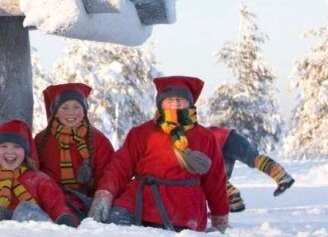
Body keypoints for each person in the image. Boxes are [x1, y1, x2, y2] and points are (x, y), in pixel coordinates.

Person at [87, 76, 230, 232]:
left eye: (180, 100)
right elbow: (120, 167)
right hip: (139, 201)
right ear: (160, 103)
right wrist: (104, 194)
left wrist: (220, 217)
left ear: (190, 104)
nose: (175, 104)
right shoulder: (141, 133)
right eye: (169, 100)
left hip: (184, 208)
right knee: (112, 229)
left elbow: (215, 180)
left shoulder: (205, 137)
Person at [33, 83, 114, 220]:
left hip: (86, 201)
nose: (71, 112)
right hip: (51, 200)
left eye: (77, 107)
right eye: (65, 108)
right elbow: (34, 172)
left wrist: (101, 197)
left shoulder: (98, 140)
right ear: (55, 112)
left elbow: (107, 173)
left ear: (84, 110)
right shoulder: (42, 139)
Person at [207, 125, 294, 212]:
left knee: (253, 159)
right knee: (218, 178)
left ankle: (282, 176)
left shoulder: (197, 140)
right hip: (224, 142)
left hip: (228, 139)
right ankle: (235, 200)